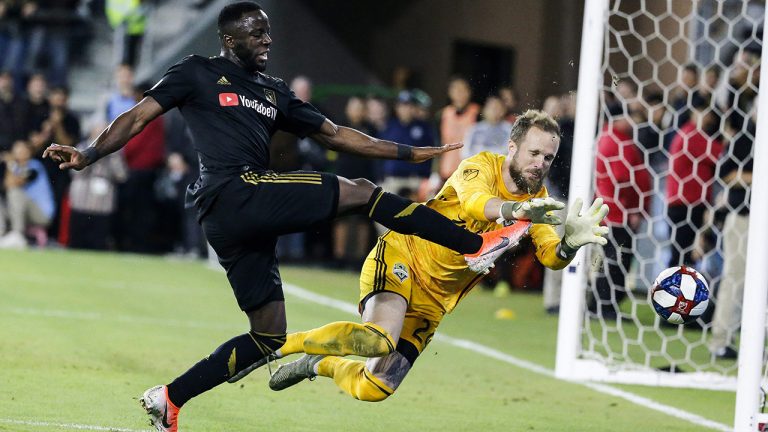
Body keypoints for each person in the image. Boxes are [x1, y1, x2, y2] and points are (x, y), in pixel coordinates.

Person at [42, 3, 546, 431]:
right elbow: (136, 116)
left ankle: (170, 399)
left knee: (269, 336)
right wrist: (88, 154)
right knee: (360, 192)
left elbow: (337, 135)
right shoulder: (195, 70)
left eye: (268, 31)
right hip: (229, 190)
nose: (267, 39)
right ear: (229, 38)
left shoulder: (274, 91)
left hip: (242, 214)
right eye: (256, 32)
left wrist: (407, 152)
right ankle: (474, 244)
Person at [256, 110, 609, 402]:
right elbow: (476, 203)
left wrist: (570, 245)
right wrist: (518, 211)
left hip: (435, 300)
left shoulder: (540, 200)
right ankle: (276, 346)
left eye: (548, 157)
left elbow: (550, 256)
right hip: (404, 258)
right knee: (377, 339)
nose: (540, 163)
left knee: (374, 388)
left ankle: (318, 365)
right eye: (533, 153)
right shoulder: (480, 166)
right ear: (512, 146)